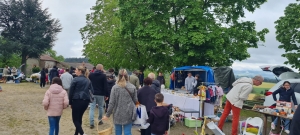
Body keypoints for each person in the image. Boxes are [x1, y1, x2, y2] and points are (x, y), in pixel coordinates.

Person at [102, 69, 137, 135]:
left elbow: (111, 103)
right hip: (129, 113)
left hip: (117, 113)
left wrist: (107, 115)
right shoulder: (133, 87)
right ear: (128, 76)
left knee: (118, 132)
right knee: (127, 132)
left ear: (118, 76)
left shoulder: (115, 88)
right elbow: (135, 101)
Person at [69, 66, 93, 135]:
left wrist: (70, 102)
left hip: (77, 100)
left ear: (80, 71)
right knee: (79, 118)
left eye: (76, 70)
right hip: (86, 101)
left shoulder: (75, 79)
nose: (75, 71)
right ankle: (76, 133)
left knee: (75, 119)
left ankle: (82, 133)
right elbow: (92, 91)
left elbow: (71, 92)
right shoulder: (88, 80)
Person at [88, 64, 108, 129]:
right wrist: (107, 94)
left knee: (92, 108)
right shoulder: (103, 76)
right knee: (100, 107)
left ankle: (91, 123)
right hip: (101, 93)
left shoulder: (91, 75)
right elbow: (105, 86)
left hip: (93, 93)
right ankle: (100, 120)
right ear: (101, 68)